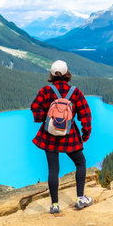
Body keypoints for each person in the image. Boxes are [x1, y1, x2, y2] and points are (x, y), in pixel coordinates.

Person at [31, 60, 93, 214]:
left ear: (52, 74)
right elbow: (85, 114)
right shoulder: (75, 92)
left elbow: (35, 107)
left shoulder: (46, 90)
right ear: (67, 74)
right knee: (80, 162)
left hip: (49, 135)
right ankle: (80, 198)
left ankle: (54, 205)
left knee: (53, 169)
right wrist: (85, 133)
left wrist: (45, 118)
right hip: (69, 135)